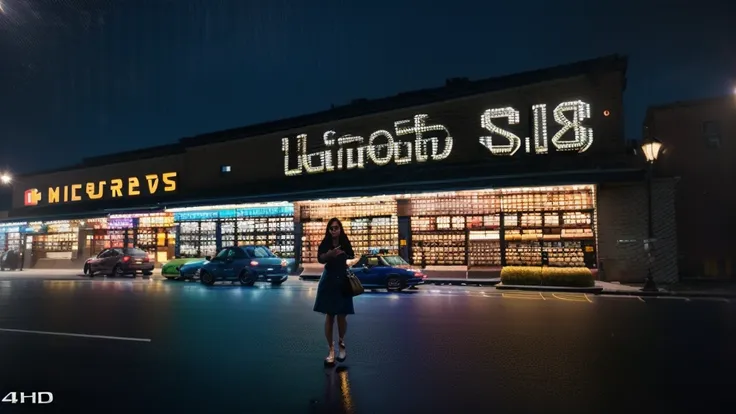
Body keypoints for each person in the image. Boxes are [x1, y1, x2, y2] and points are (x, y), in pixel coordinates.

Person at [313, 218, 355, 366]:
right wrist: (330, 254)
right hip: (329, 280)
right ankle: (331, 349)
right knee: (330, 315)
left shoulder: (345, 241)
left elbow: (351, 255)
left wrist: (345, 256)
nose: (334, 230)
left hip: (342, 279)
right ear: (328, 230)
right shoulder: (325, 243)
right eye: (331, 228)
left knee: (342, 315)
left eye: (336, 228)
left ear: (340, 229)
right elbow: (320, 259)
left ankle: (341, 343)